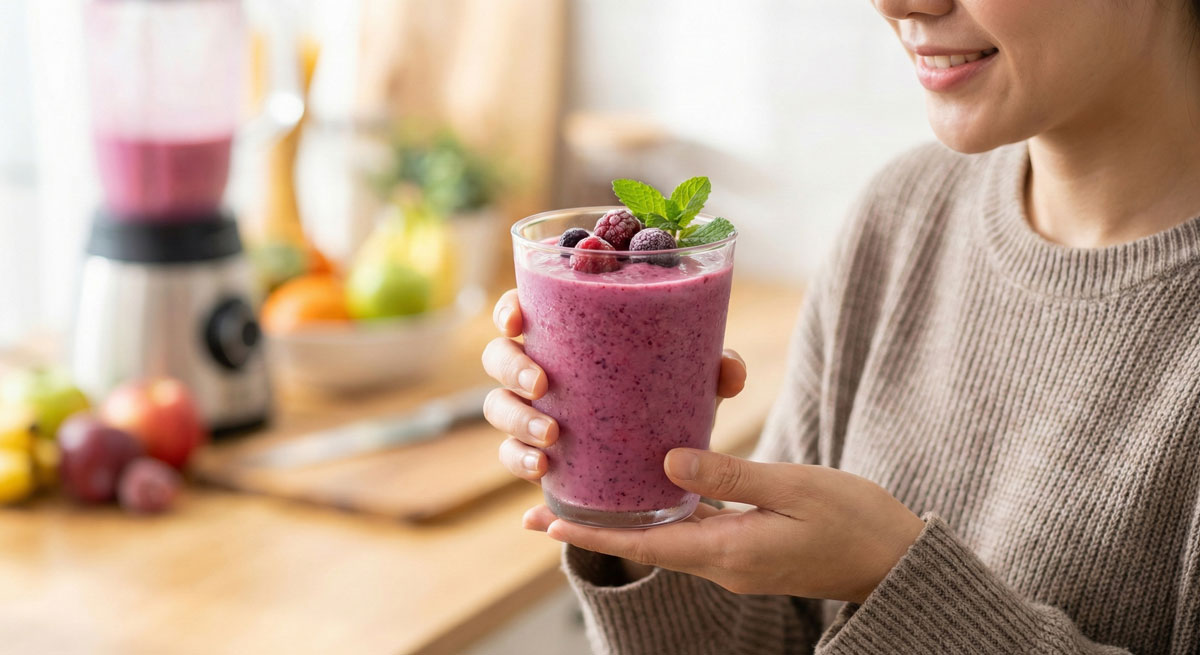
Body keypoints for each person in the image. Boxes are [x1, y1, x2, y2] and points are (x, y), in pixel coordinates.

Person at [481, 0, 1200, 652]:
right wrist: (635, 515)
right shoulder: (901, 216)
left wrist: (896, 582)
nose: (896, 5)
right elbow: (778, 634)